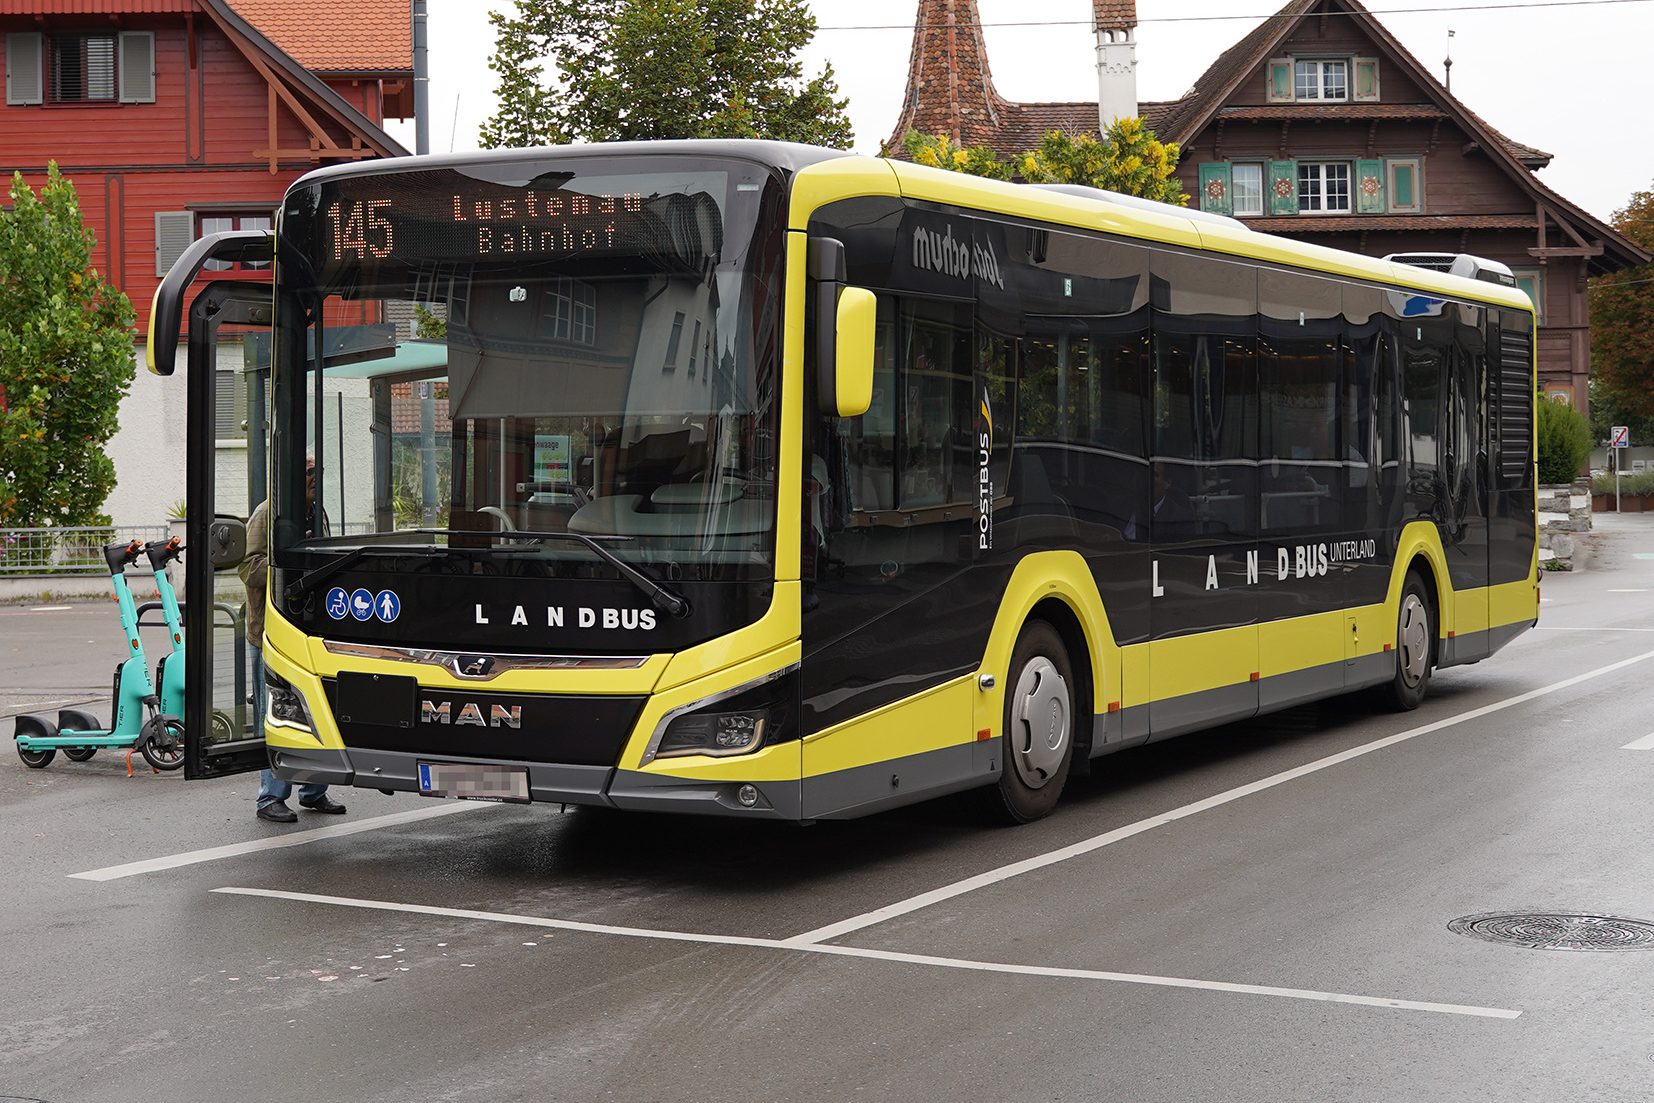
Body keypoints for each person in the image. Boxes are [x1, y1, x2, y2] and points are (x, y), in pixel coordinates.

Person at [242, 455, 346, 823]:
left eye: (320, 471)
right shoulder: (266, 513)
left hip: (311, 630)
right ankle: (269, 797)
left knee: (314, 709)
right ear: (289, 478)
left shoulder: (318, 512)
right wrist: (290, 558)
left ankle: (314, 790)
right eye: (308, 473)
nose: (316, 478)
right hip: (271, 630)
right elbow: (249, 569)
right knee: (277, 713)